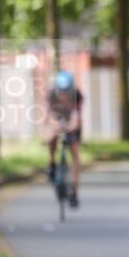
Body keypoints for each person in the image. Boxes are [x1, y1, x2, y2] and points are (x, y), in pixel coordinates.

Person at [46, 70, 83, 208]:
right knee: (51, 138)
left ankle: (74, 191)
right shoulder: (51, 95)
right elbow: (48, 116)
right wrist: (54, 127)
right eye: (62, 91)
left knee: (75, 153)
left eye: (66, 91)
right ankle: (51, 164)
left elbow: (77, 117)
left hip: (71, 121)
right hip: (57, 119)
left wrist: (72, 127)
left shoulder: (77, 95)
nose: (64, 95)